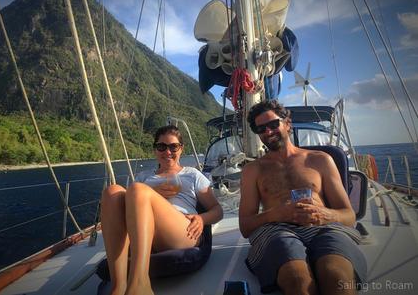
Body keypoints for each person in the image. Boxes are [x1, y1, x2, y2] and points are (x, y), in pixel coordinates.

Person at [239, 100, 366, 295]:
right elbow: (246, 226)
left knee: (336, 276)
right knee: (297, 281)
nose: (268, 132)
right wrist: (277, 214)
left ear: (287, 123)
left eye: (273, 124)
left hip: (326, 228)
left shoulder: (320, 160)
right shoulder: (252, 171)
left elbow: (348, 215)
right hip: (277, 231)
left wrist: (324, 215)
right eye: (261, 128)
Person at [101, 125, 223, 295]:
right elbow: (126, 206)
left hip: (183, 231)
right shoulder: (143, 177)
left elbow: (217, 210)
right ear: (155, 150)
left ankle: (140, 284)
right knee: (112, 191)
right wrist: (152, 193)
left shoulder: (192, 174)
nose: (167, 152)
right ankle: (118, 286)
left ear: (181, 149)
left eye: (173, 146)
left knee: (137, 190)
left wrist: (202, 219)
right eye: (161, 147)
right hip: (144, 234)